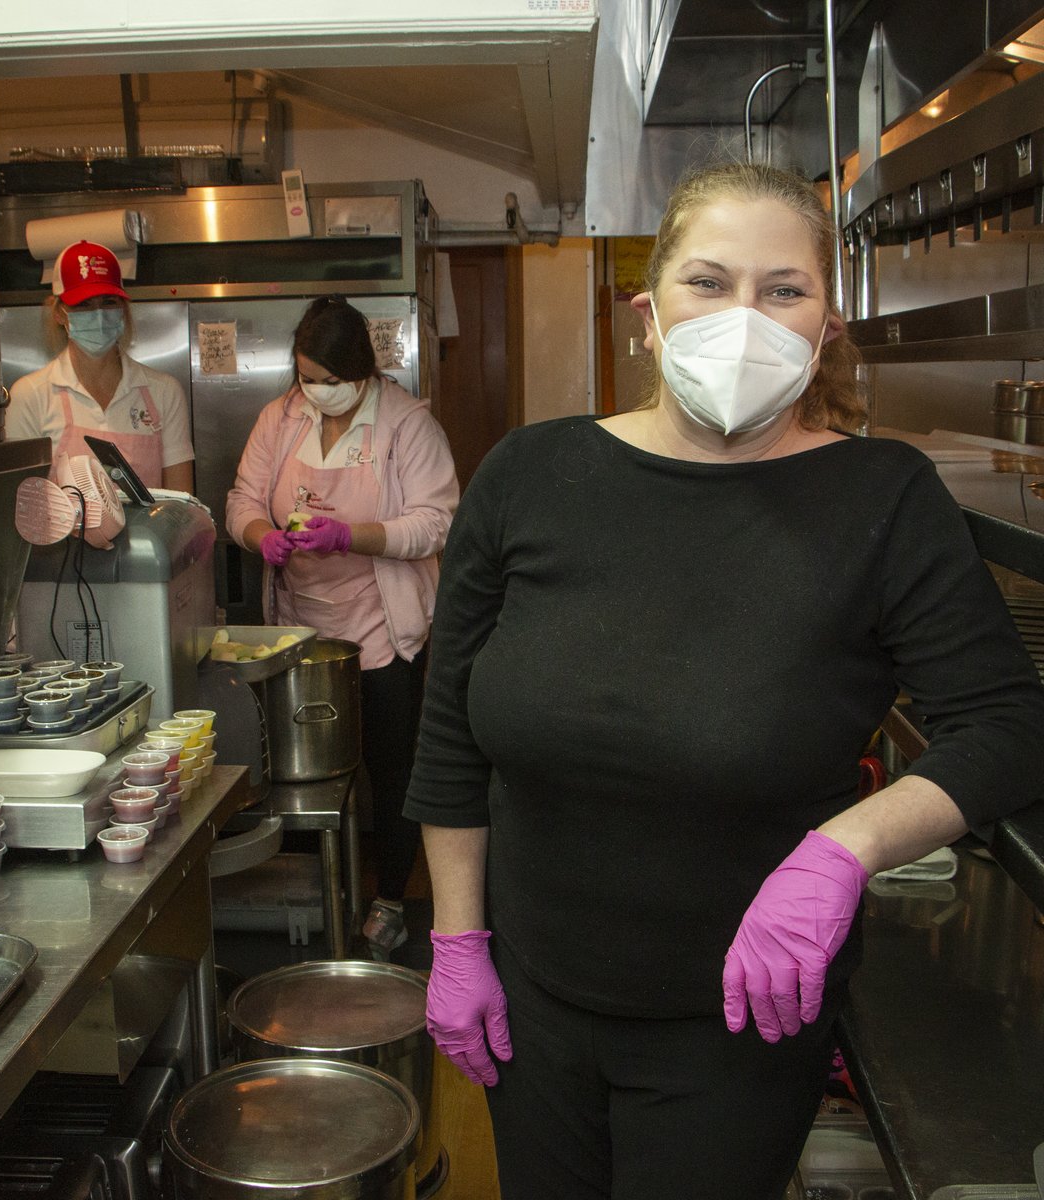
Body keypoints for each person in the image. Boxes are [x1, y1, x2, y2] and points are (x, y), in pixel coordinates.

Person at [403, 160, 1044, 1200]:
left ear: (827, 326)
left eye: (782, 290)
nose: (743, 317)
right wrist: (458, 941)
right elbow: (451, 739)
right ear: (647, 312)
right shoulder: (527, 475)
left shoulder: (881, 499)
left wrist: (847, 849)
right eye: (709, 282)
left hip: (743, 1024)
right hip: (531, 1001)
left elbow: (1010, 724)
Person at [225, 295, 459, 957]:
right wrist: (259, 535)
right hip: (300, 630)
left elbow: (437, 521)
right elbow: (241, 497)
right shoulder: (281, 417)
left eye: (331, 381)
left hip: (383, 626)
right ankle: (307, 892)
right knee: (300, 772)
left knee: (392, 767)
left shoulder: (406, 425)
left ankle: (389, 897)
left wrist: (350, 536)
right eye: (306, 378)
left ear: (361, 373)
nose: (317, 392)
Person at [6, 240, 195, 492]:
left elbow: (181, 503)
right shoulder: (30, 395)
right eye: (83, 304)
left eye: (108, 302)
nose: (98, 315)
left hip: (149, 533)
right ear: (59, 312)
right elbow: (21, 502)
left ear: (123, 309)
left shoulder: (163, 391)